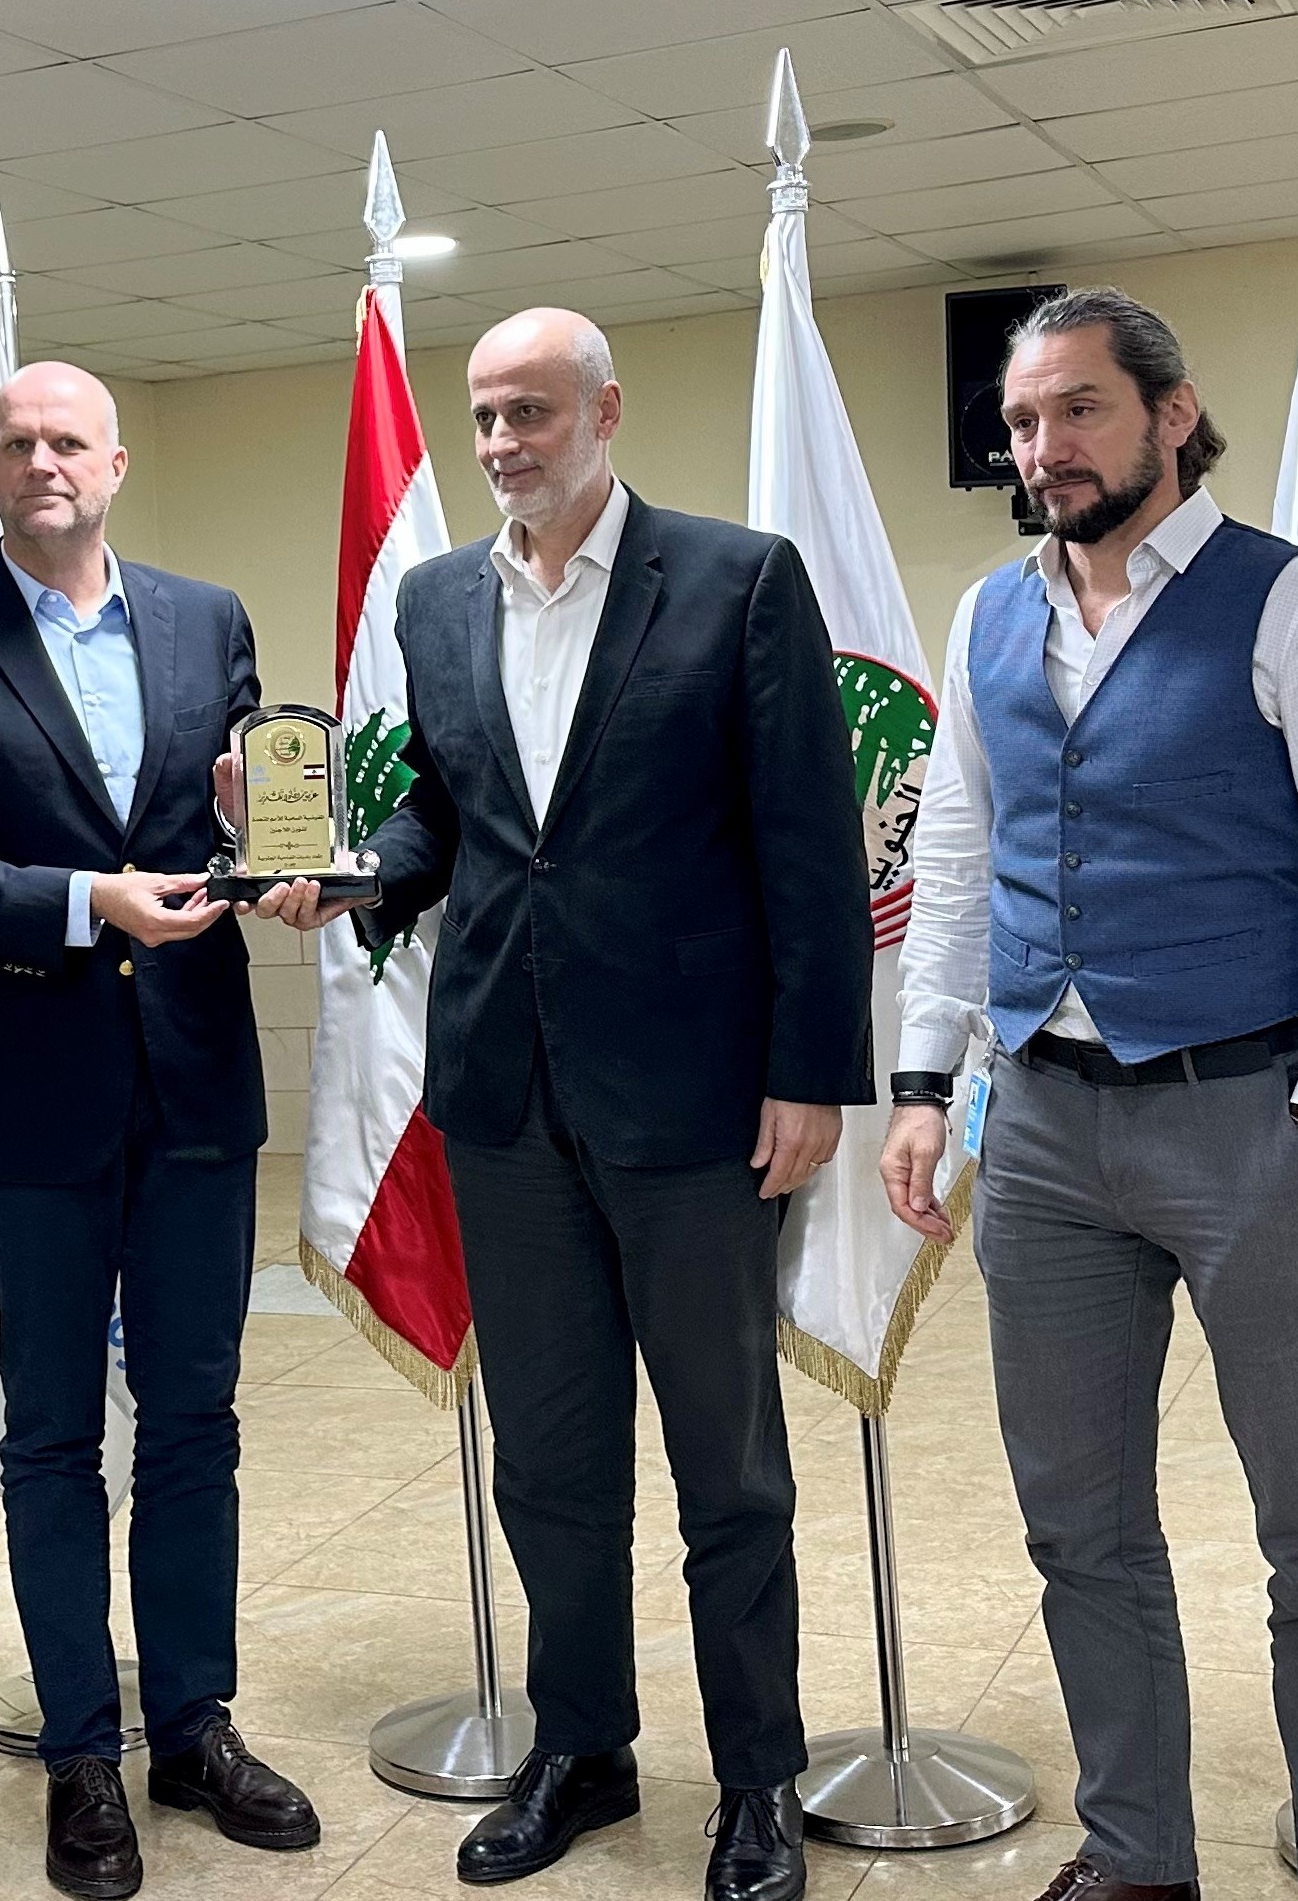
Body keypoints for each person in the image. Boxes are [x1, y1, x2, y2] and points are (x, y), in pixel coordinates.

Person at [261, 308, 870, 1896]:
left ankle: (754, 1779)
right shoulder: (434, 598)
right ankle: (582, 1748)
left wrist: (810, 1073)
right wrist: (361, 877)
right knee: (545, 1463)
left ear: (604, 410)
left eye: (529, 412)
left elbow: (808, 845)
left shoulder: (735, 581)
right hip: (503, 1102)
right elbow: (447, 813)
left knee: (726, 1470)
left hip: (694, 1108)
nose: (499, 443)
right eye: (481, 416)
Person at [881, 288, 1298, 1901]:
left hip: (1245, 1117)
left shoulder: (1296, 604)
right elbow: (952, 865)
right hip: (1039, 1131)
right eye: (1018, 421)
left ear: (1171, 414)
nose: (1040, 447)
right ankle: (1137, 1854)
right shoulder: (987, 617)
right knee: (1076, 1522)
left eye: (1075, 408)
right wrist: (923, 1081)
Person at [0, 361, 316, 1901]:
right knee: (50, 1439)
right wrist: (80, 904)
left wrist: (278, 855)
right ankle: (79, 1754)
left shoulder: (205, 617)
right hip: (28, 1100)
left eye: (66, 440)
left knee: (192, 1422)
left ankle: (190, 1727)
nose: (41, 461)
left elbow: (242, 815)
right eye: (15, 443)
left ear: (113, 463)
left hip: (191, 1088)